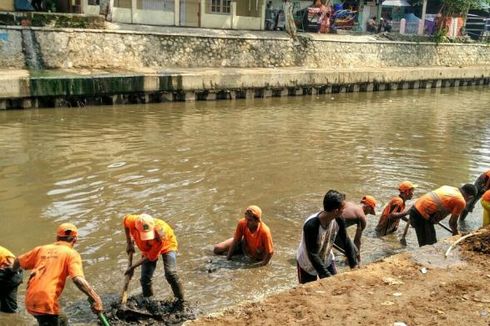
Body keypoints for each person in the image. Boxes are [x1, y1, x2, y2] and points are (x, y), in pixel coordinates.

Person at [11, 223, 103, 325]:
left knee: (61, 319)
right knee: (59, 321)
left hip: (30, 300)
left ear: (57, 237)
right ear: (75, 239)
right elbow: (78, 279)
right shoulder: (71, 254)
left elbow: (17, 261)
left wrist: (12, 272)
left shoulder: (41, 249)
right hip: (46, 303)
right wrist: (96, 298)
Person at [296, 190, 358, 284]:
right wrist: (326, 275)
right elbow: (312, 253)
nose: (344, 211)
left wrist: (353, 265)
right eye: (343, 208)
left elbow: (345, 240)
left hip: (326, 258)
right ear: (336, 211)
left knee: (334, 285)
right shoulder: (311, 226)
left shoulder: (339, 219)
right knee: (308, 292)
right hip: (306, 263)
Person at [123, 213, 184, 302]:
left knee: (171, 274)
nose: (148, 238)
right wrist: (129, 243)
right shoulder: (133, 221)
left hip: (167, 245)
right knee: (145, 279)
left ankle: (181, 302)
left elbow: (150, 256)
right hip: (147, 248)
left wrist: (133, 267)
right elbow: (125, 222)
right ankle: (149, 301)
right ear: (137, 228)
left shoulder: (160, 234)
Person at [409, 184, 477, 247]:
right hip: (421, 216)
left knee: (429, 241)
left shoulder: (448, 187)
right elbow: (452, 223)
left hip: (415, 208)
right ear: (470, 197)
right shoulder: (461, 201)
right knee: (428, 245)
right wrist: (455, 233)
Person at [336, 195, 377, 262]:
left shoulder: (349, 204)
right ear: (368, 207)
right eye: (370, 211)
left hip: (326, 224)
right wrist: (358, 257)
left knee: (348, 247)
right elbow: (357, 240)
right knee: (354, 252)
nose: (368, 213)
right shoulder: (362, 217)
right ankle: (349, 267)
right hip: (333, 232)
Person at [0, 246, 23, 313]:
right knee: (8, 306)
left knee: (8, 306)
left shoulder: (2, 252)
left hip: (10, 274)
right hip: (13, 274)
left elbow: (13, 265)